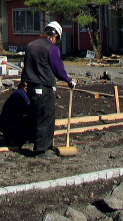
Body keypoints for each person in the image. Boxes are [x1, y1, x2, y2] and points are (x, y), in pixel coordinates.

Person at [21, 21, 75, 159]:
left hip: (31, 87)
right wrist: (69, 80)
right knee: (46, 118)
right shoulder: (51, 49)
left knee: (34, 116)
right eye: (57, 38)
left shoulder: (31, 45)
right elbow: (58, 69)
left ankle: (32, 141)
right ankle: (41, 150)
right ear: (55, 35)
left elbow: (25, 66)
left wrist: (23, 83)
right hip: (44, 87)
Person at [0, 80, 34, 147]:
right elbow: (24, 114)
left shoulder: (22, 94)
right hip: (12, 126)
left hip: (10, 124)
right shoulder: (19, 96)